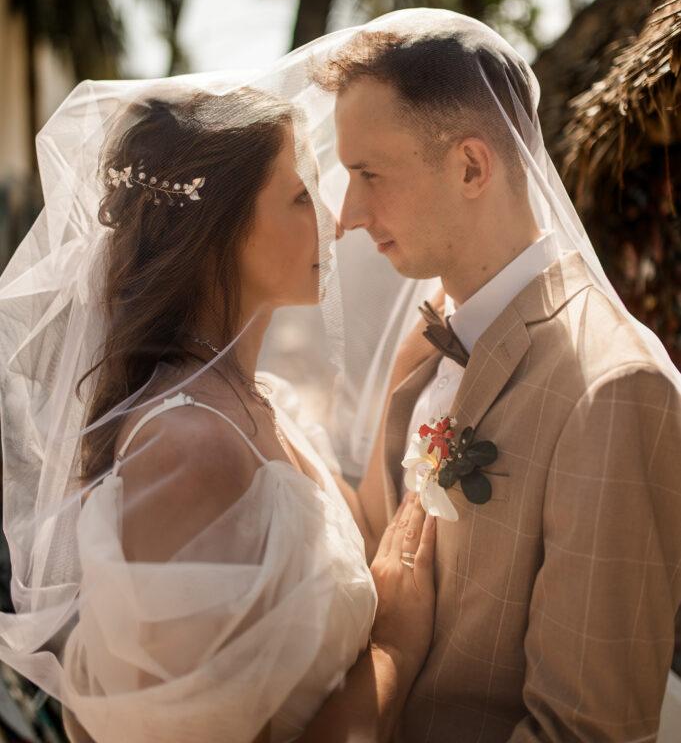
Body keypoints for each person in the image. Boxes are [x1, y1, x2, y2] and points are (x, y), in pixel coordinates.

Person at [0, 78, 435, 743]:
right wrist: (395, 650)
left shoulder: (262, 404)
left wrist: (411, 367)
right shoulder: (189, 450)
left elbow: (360, 533)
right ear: (217, 233)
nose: (335, 218)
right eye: (300, 196)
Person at [311, 8, 681, 742]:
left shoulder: (612, 389)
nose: (345, 214)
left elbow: (585, 731)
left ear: (471, 167)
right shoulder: (426, 340)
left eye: (368, 174)